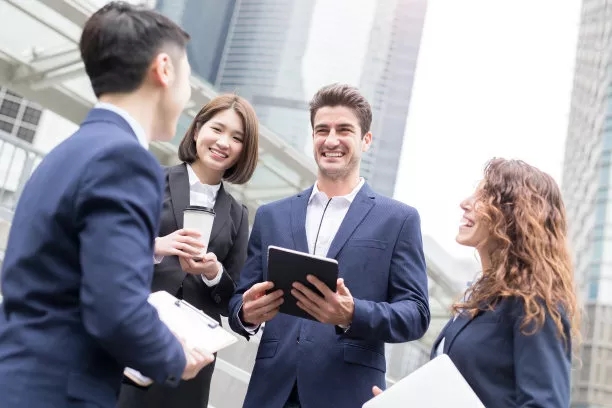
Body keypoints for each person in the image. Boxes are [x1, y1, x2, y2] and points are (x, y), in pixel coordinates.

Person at [0, 3, 214, 407]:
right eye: (187, 78)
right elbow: (114, 307)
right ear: (164, 69)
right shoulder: (127, 161)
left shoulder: (67, 153)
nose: (187, 99)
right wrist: (174, 355)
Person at [228, 83, 431, 408]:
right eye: (322, 130)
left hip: (346, 394)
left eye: (344, 130)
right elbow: (241, 297)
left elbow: (417, 313)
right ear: (312, 138)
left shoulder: (399, 220)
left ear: (366, 140)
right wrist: (246, 313)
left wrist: (353, 313)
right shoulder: (271, 216)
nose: (331, 140)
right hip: (271, 393)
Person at [370, 158, 580, 406]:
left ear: (513, 215)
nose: (465, 204)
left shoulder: (533, 302)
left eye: (484, 197)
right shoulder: (479, 298)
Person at [117, 94, 259, 408]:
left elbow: (232, 296)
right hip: (136, 332)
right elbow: (110, 252)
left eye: (237, 138)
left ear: (243, 152)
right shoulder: (151, 179)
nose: (224, 142)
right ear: (196, 130)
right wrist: (156, 247)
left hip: (195, 356)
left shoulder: (237, 214)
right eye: (217, 129)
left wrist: (213, 273)